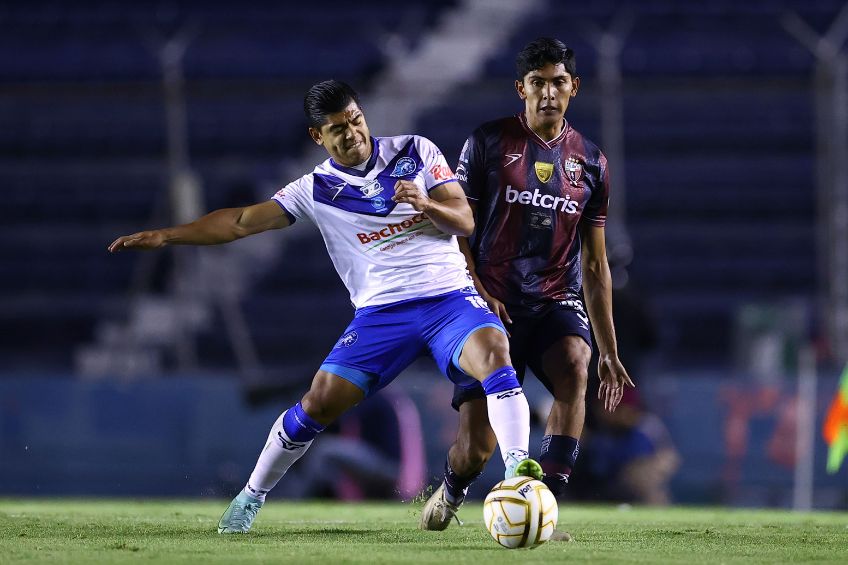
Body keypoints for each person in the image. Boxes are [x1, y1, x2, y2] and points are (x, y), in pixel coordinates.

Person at [108, 80, 542, 534]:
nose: (353, 133)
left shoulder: (415, 150)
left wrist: (426, 202)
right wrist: (167, 236)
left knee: (495, 351)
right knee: (315, 404)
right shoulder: (315, 188)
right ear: (319, 136)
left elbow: (465, 219)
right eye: (339, 128)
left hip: (448, 299)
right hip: (381, 314)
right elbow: (239, 222)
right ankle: (248, 500)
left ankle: (518, 476)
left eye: (356, 120)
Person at [420, 38, 635, 532]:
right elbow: (456, 229)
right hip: (487, 305)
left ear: (574, 88)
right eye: (537, 83)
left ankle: (544, 503)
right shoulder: (488, 143)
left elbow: (597, 266)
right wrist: (478, 291)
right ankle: (453, 489)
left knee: (575, 367)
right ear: (522, 88)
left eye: (558, 82)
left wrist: (609, 348)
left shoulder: (593, 164)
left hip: (555, 299)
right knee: (476, 449)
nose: (548, 93)